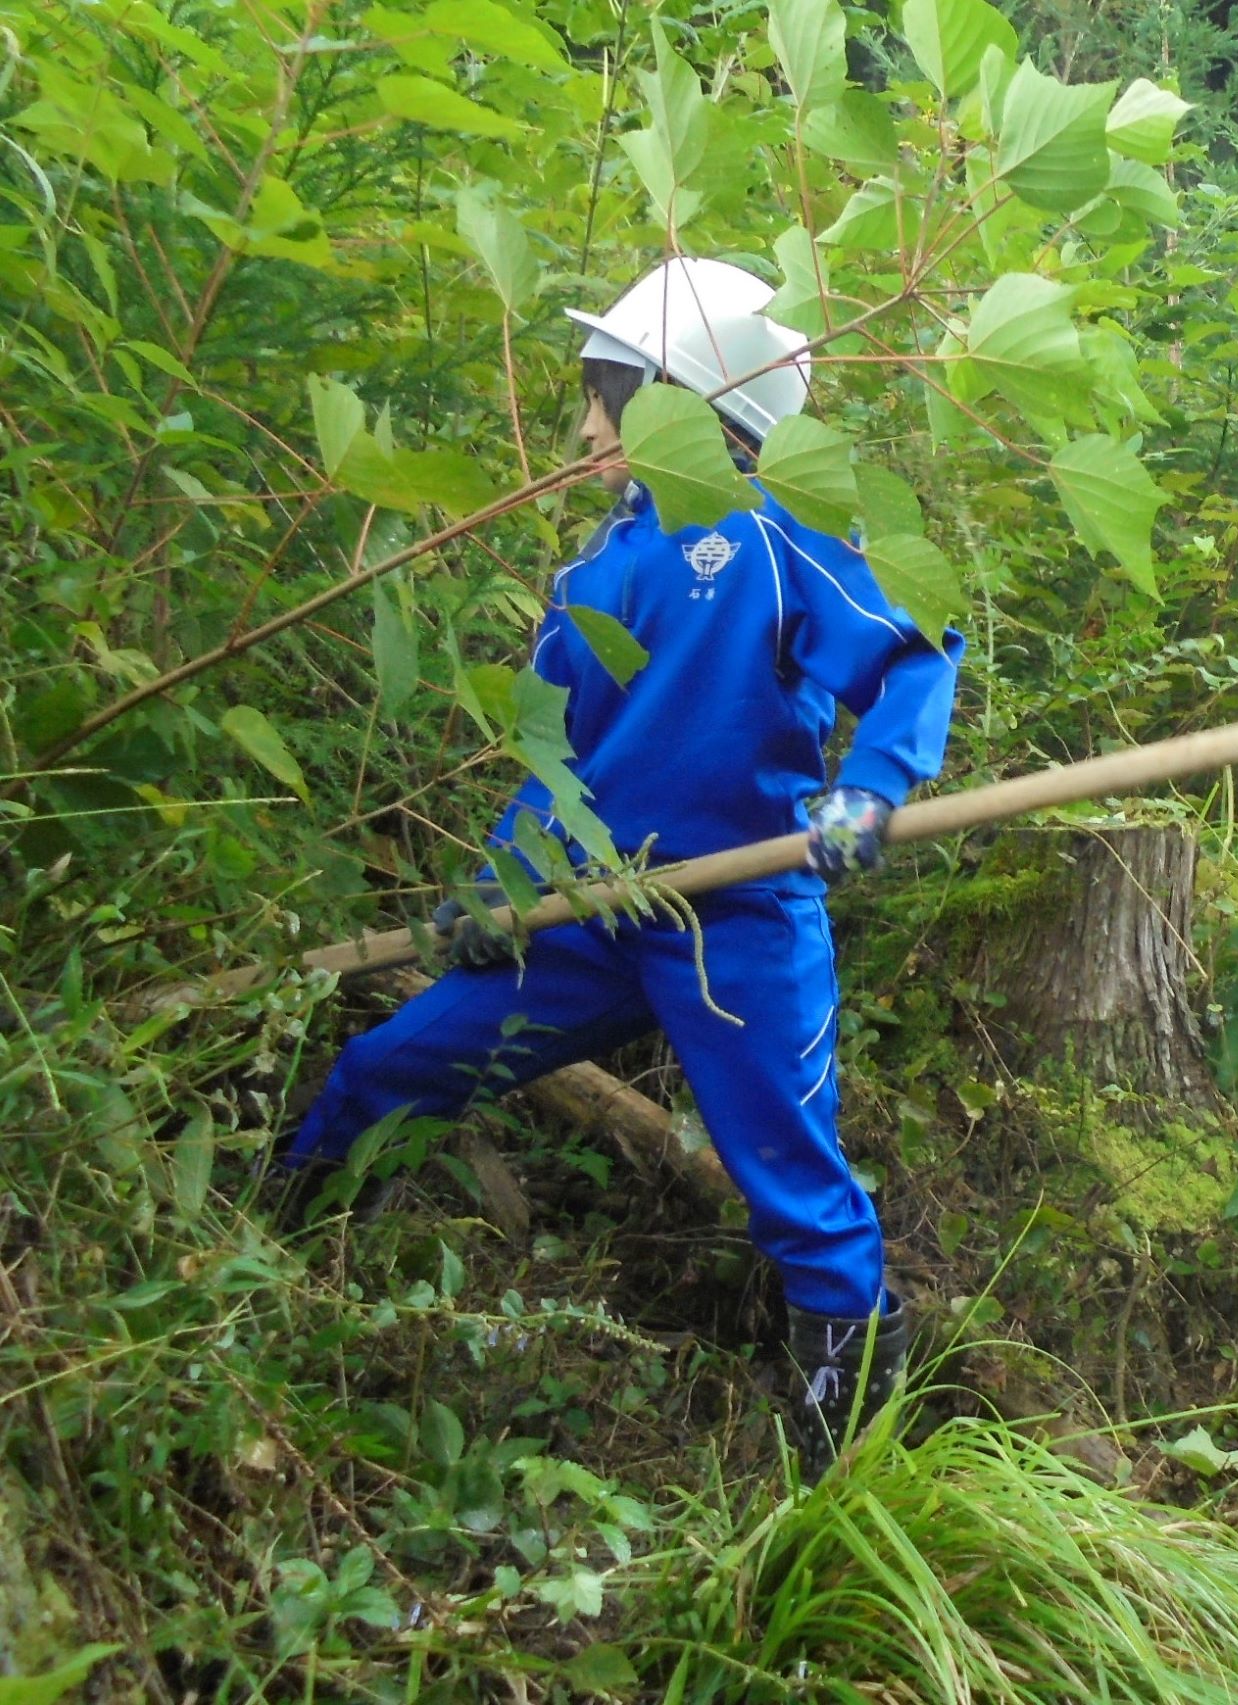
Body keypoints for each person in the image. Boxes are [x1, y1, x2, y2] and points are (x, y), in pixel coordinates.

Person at [282, 257, 962, 1474]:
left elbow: (915, 653)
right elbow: (555, 760)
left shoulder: (777, 531)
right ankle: (284, 1262)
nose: (588, 423)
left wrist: (874, 783)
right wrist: (502, 888)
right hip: (593, 911)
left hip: (738, 914)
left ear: (692, 408)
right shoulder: (588, 575)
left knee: (791, 1174)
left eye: (612, 393)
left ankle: (845, 1399)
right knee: (390, 1062)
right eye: (593, 397)